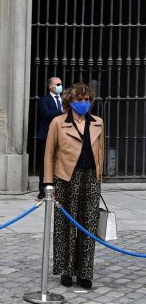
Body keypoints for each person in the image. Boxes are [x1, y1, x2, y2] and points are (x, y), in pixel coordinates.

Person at [44, 82, 104, 290]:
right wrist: (48, 182)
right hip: (65, 178)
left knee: (88, 226)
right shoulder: (58, 122)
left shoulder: (97, 122)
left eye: (87, 100)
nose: (84, 103)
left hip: (90, 178)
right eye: (80, 100)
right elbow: (49, 153)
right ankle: (66, 270)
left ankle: (85, 272)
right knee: (65, 226)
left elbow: (100, 152)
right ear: (70, 101)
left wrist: (99, 177)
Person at [36, 77, 64, 199]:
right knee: (46, 163)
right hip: (46, 135)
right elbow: (46, 114)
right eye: (57, 84)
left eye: (60, 84)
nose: (60, 86)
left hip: (62, 135)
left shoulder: (65, 99)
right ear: (50, 86)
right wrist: (61, 111)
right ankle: (43, 191)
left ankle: (59, 189)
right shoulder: (44, 100)